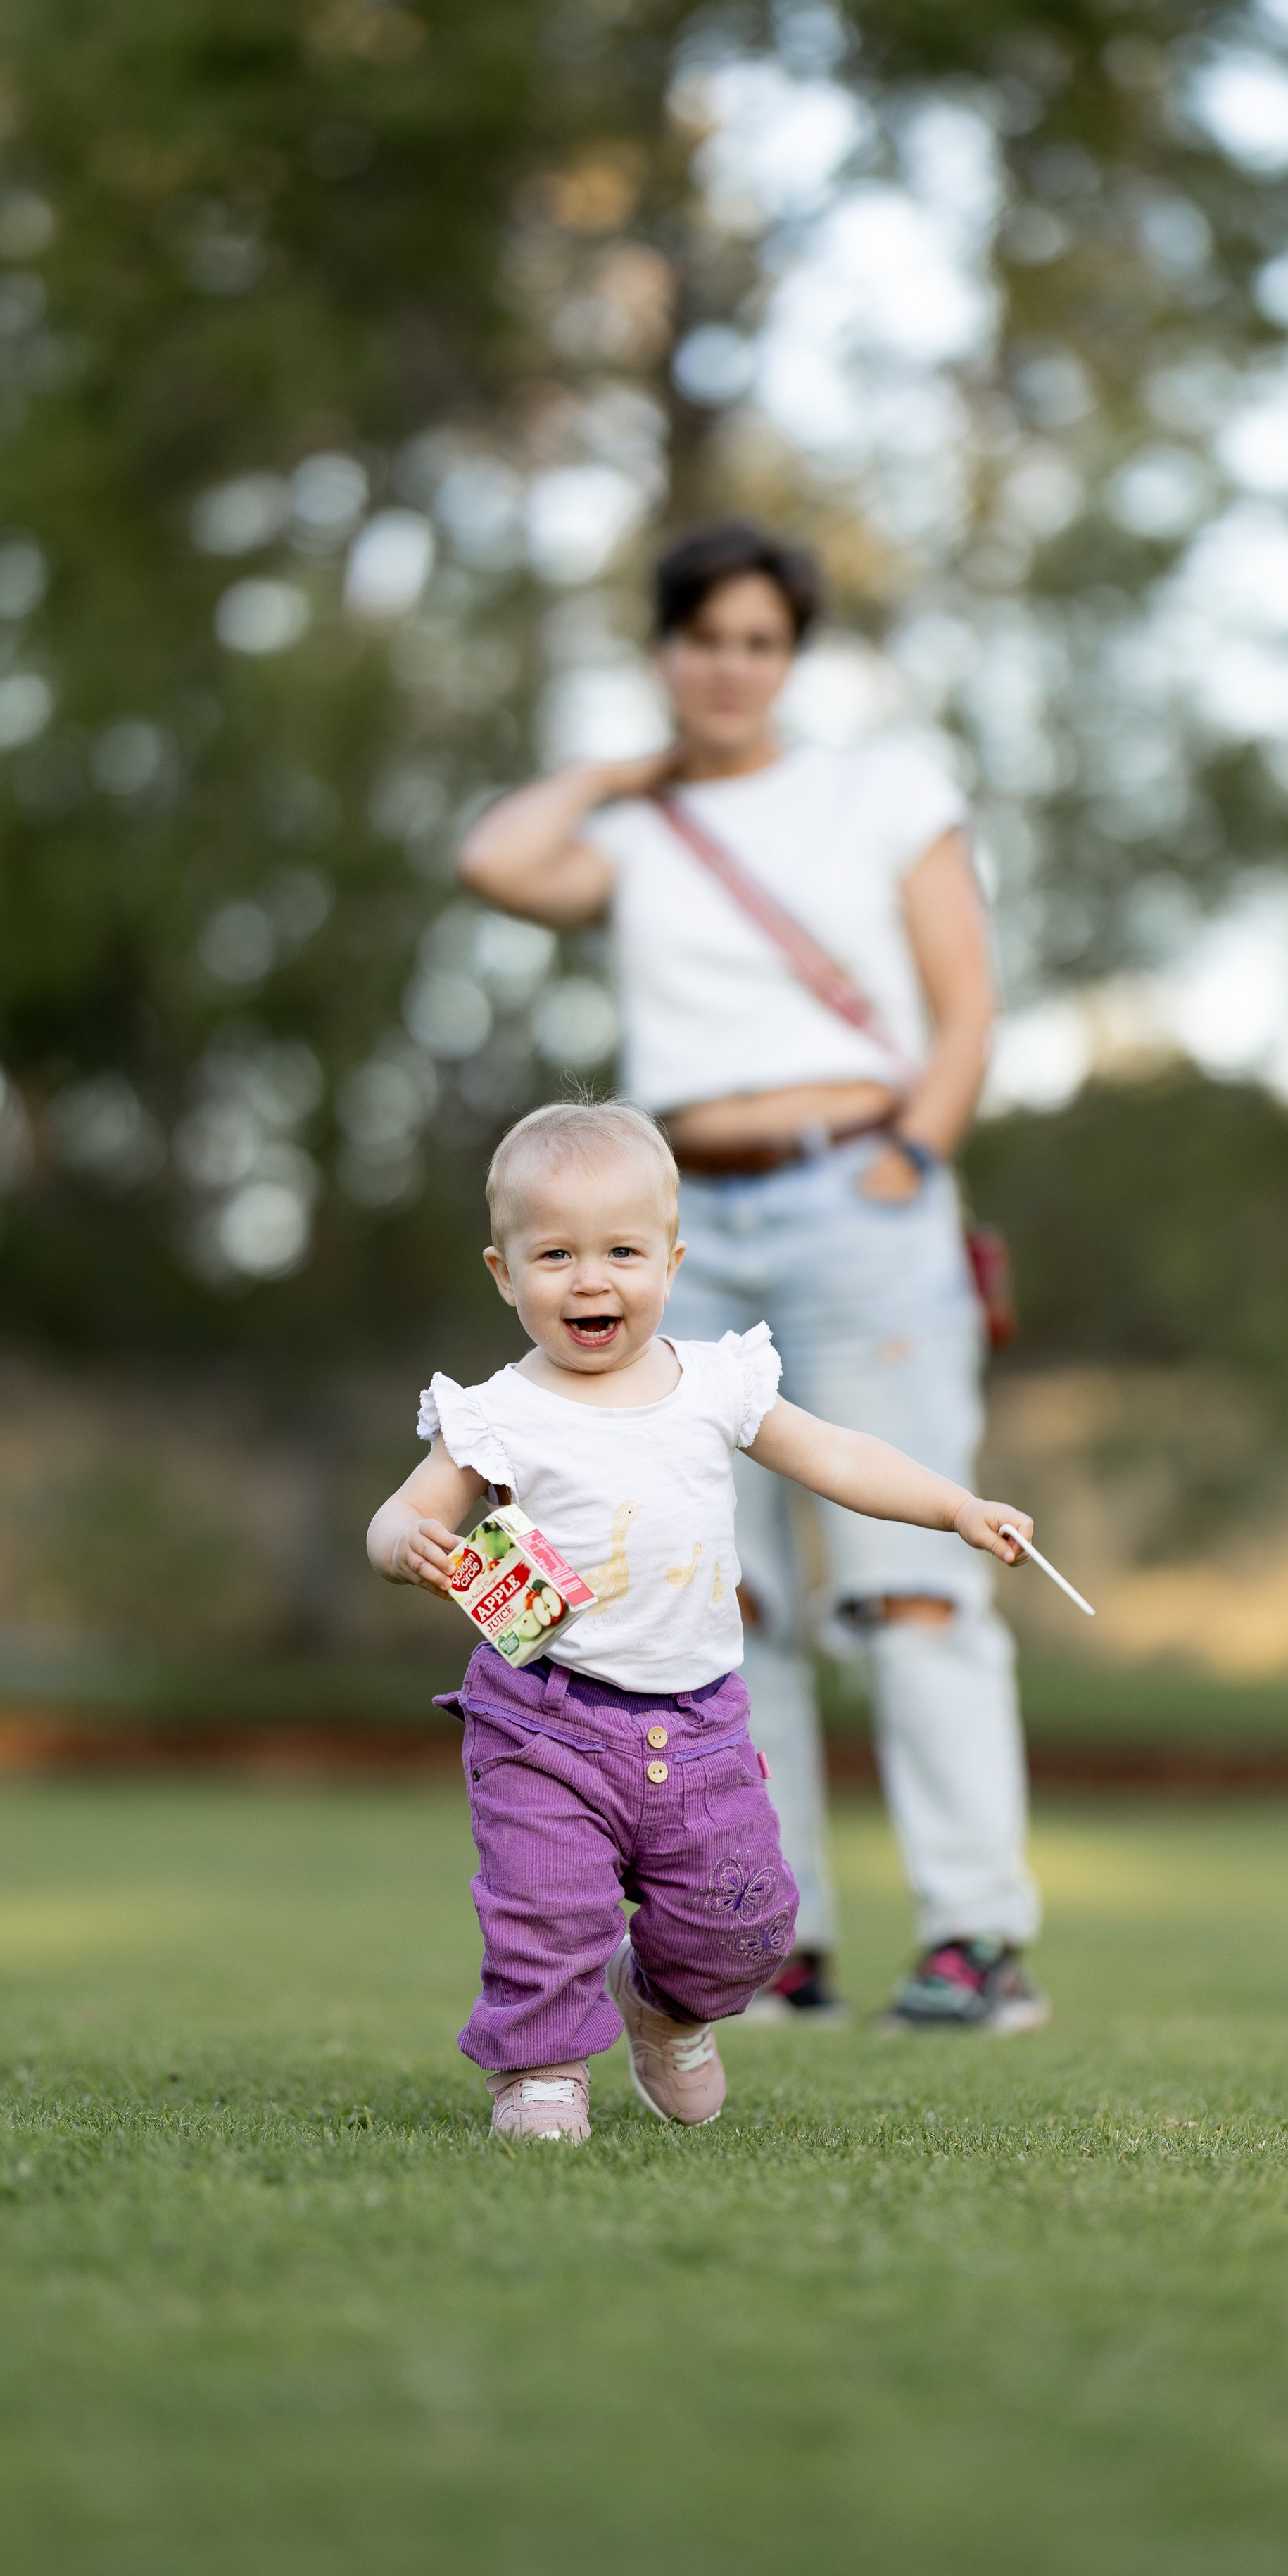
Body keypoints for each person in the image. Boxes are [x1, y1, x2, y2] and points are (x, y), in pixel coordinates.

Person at [458, 522, 1046, 2033]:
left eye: (758, 642)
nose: (730, 668)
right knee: (723, 1593)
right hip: (679, 1234)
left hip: (856, 1201)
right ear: (663, 653)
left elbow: (967, 1005)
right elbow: (494, 860)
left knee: (912, 1588)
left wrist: (910, 1159)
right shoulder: (639, 832)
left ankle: (975, 1939)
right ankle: (773, 1942)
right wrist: (626, 770)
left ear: (793, 656)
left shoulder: (882, 789)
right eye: (702, 639)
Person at [366, 1101, 1038, 2142]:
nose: (591, 1281)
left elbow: (840, 1455)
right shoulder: (496, 1412)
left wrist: (956, 1507)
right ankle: (542, 2073)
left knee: (750, 1919)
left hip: (701, 1726)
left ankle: (669, 2009)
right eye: (555, 1255)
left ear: (673, 1263)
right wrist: (407, 1542)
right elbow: (402, 1512)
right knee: (544, 1909)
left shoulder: (717, 1383)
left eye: (622, 1252)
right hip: (545, 1721)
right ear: (504, 1273)